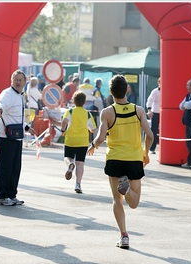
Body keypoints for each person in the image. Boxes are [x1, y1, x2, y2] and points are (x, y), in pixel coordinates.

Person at [87, 74, 153, 249]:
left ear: (110, 92)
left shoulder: (107, 112)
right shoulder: (138, 110)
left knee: (117, 200)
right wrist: (145, 153)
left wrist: (93, 146)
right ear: (127, 90)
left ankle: (124, 236)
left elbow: (100, 138)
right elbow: (151, 136)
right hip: (134, 159)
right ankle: (129, 189)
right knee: (134, 203)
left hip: (115, 159)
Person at [0, 70, 35, 206]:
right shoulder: (7, 94)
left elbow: (17, 117)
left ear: (25, 82)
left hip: (17, 136)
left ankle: (12, 195)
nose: (18, 82)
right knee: (5, 167)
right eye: (16, 80)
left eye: (20, 80)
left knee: (15, 167)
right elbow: (0, 104)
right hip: (6, 137)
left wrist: (27, 127)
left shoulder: (20, 96)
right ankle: (2, 196)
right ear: (12, 81)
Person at [61, 90, 97, 193]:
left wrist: (63, 130)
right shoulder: (87, 113)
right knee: (80, 164)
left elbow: (64, 121)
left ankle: (70, 164)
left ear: (73, 101)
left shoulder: (70, 111)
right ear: (84, 102)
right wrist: (88, 128)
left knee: (67, 158)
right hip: (82, 141)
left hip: (71, 139)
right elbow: (93, 129)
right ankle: (78, 184)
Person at [146, 77, 160, 154]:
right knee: (153, 130)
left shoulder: (167, 90)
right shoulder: (155, 91)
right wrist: (149, 110)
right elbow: (150, 100)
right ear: (158, 83)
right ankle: (152, 148)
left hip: (164, 114)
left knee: (164, 131)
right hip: (155, 112)